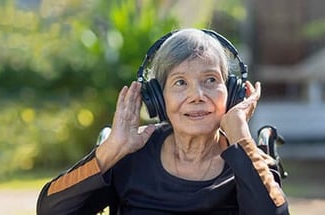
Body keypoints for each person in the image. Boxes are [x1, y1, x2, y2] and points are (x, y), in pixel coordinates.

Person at [36, 28, 289, 214]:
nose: (197, 96)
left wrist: (240, 135)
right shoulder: (130, 158)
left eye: (211, 80)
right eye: (180, 83)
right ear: (158, 98)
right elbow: (50, 210)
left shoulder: (250, 161)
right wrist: (111, 150)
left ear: (231, 92)